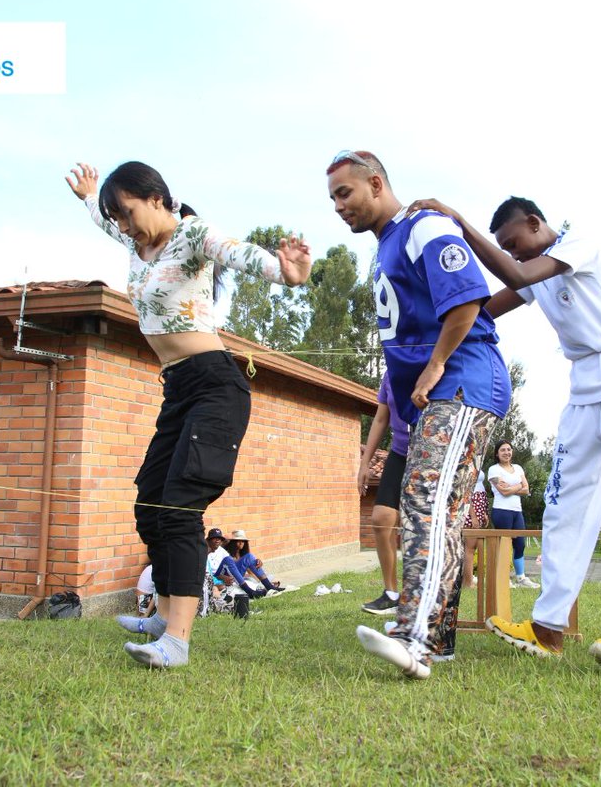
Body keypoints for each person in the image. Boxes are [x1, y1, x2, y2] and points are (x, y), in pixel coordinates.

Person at [68, 161, 311, 668]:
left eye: (130, 212)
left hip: (215, 386)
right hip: (177, 389)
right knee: (150, 504)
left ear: (157, 198)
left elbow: (236, 253)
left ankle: (176, 641)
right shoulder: (136, 244)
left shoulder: (192, 234)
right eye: (119, 218)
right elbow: (105, 221)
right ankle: (161, 612)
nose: (125, 225)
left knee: (179, 507)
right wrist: (91, 200)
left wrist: (284, 272)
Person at [408, 195, 601, 678]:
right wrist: (435, 314)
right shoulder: (534, 272)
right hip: (583, 388)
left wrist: (459, 221)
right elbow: (484, 309)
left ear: (536, 223)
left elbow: (519, 276)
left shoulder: (576, 245)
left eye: (514, 243)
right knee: (563, 508)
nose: (513, 253)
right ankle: (547, 629)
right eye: (506, 248)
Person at [328, 150, 510, 679]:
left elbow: (467, 301)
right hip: (440, 389)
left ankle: (415, 637)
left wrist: (433, 368)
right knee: (442, 512)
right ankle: (440, 637)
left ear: (376, 184)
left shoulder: (422, 226)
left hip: (463, 379)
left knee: (425, 500)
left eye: (346, 193)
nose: (339, 207)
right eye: (333, 199)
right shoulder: (386, 246)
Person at [357, 371, 410, 614]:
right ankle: (391, 593)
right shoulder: (391, 373)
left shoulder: (432, 360)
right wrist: (365, 463)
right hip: (399, 453)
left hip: (431, 455)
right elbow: (380, 419)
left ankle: (421, 596)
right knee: (380, 518)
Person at [487, 440, 538, 588]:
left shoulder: (518, 468)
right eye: (503, 450)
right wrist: (519, 486)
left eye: (509, 449)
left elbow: (527, 489)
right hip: (502, 511)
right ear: (497, 453)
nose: (506, 452)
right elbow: (503, 491)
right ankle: (504, 578)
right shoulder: (494, 469)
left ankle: (521, 578)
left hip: (517, 511)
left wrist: (513, 488)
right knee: (504, 545)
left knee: (520, 544)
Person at [224, 529, 286, 596]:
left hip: (240, 577)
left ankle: (269, 586)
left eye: (243, 541)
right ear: (232, 542)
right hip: (229, 578)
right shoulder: (227, 553)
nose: (241, 543)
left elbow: (250, 571)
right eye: (238, 541)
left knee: (252, 560)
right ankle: (266, 587)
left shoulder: (244, 555)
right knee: (249, 558)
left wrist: (256, 562)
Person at [462, 466, 489, 588]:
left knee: (472, 548)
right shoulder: (467, 463)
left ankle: (467, 580)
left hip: (479, 506)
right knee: (470, 548)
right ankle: (468, 582)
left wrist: (483, 512)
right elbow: (466, 492)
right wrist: (473, 515)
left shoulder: (477, 459)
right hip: (472, 509)